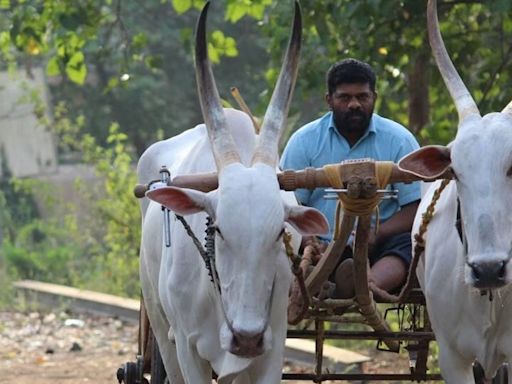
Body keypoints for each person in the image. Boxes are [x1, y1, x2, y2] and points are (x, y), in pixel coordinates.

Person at [280, 58, 421, 299]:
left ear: (374, 98)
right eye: (345, 98)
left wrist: (378, 233)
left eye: (362, 97)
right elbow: (288, 205)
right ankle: (323, 274)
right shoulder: (304, 141)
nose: (354, 104)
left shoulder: (399, 140)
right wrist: (308, 242)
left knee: (412, 244)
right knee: (280, 241)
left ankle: (365, 284)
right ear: (329, 101)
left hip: (380, 246)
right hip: (319, 246)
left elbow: (416, 206)